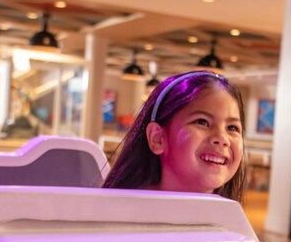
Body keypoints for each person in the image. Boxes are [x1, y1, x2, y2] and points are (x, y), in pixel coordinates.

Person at [103, 70, 246, 201]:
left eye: (232, 127)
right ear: (157, 138)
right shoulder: (116, 214)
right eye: (202, 122)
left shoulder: (232, 222)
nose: (222, 138)